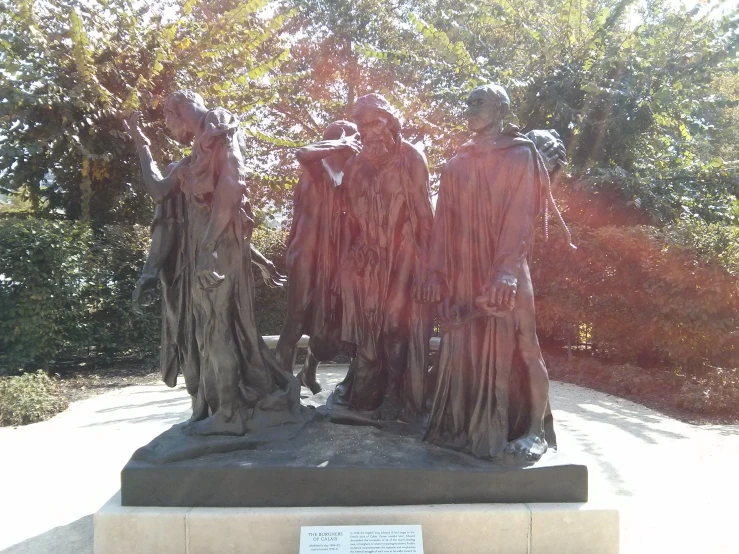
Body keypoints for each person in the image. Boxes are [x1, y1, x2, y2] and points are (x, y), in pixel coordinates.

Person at [123, 90, 300, 436]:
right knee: (212, 333)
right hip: (213, 249)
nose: (171, 131)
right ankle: (221, 407)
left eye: (168, 121)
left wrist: (209, 247)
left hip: (214, 251)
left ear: (177, 111)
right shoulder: (196, 151)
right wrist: (141, 144)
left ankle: (229, 417)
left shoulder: (219, 124)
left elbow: (233, 187)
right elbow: (161, 190)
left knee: (217, 330)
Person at [419, 84, 563, 460]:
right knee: (463, 344)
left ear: (501, 108)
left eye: (479, 103)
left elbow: (521, 217)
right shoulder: (456, 162)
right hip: (465, 270)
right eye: (467, 102)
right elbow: (442, 225)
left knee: (526, 344)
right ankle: (465, 425)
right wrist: (436, 273)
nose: (471, 108)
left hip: (507, 267)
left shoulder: (520, 155)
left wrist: (505, 273)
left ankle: (534, 432)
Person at [331, 94, 434, 421]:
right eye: (363, 125)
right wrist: (344, 265)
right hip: (366, 261)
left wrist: (429, 271)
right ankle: (368, 393)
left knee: (393, 324)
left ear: (390, 122)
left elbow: (425, 218)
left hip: (404, 253)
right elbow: (347, 220)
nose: (369, 131)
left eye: (376, 122)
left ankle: (394, 395)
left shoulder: (411, 159)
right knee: (368, 333)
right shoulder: (355, 167)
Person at [275, 121, 361, 394]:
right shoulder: (316, 168)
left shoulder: (347, 175)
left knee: (330, 318)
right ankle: (281, 386)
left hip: (333, 258)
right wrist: (342, 142)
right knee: (297, 317)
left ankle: (308, 373)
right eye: (354, 138)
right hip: (306, 255)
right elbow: (302, 152)